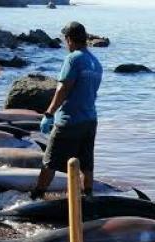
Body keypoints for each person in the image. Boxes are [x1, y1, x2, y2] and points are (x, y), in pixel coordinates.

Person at [31, 21, 102, 200]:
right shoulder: (96, 63)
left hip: (69, 120)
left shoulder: (73, 59)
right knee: (86, 163)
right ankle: (88, 197)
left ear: (69, 39)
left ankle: (37, 196)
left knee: (50, 161)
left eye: (65, 39)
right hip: (90, 120)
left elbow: (63, 89)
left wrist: (49, 113)